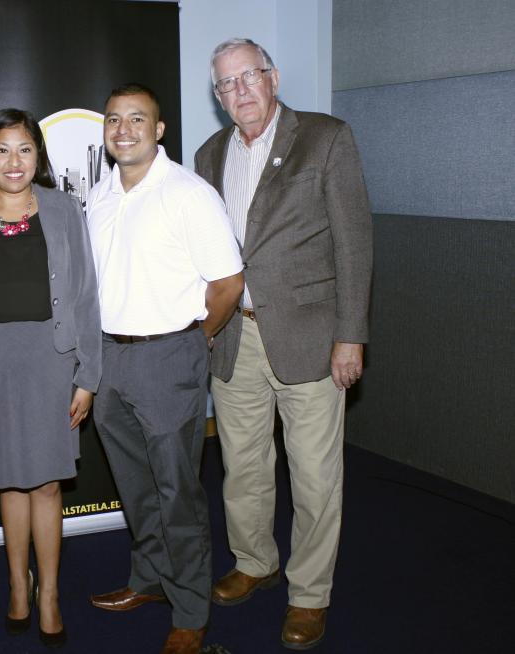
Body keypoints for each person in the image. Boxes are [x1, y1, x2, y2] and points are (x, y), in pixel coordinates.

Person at [194, 38, 373, 650]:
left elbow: (355, 245)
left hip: (312, 340)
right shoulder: (208, 154)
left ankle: (309, 595)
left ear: (271, 77)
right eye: (226, 84)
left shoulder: (325, 138)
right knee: (242, 467)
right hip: (236, 337)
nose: (239, 91)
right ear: (217, 97)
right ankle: (254, 561)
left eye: (248, 77)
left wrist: (351, 336)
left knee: (316, 476)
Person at [86, 84, 244, 654]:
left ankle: (190, 610)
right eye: (113, 119)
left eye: (137, 119)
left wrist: (192, 340)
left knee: (177, 490)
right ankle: (150, 579)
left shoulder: (188, 194)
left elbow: (228, 283)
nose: (123, 129)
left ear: (159, 130)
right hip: (109, 356)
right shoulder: (100, 195)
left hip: (168, 356)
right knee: (136, 485)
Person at [0, 108, 102, 649]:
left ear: (39, 156)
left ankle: (50, 591)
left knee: (50, 481)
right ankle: (18, 583)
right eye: (3, 150)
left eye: (25, 149)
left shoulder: (63, 209)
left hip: (54, 359)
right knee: (9, 478)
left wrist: (89, 374)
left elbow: (85, 295)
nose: (14, 161)